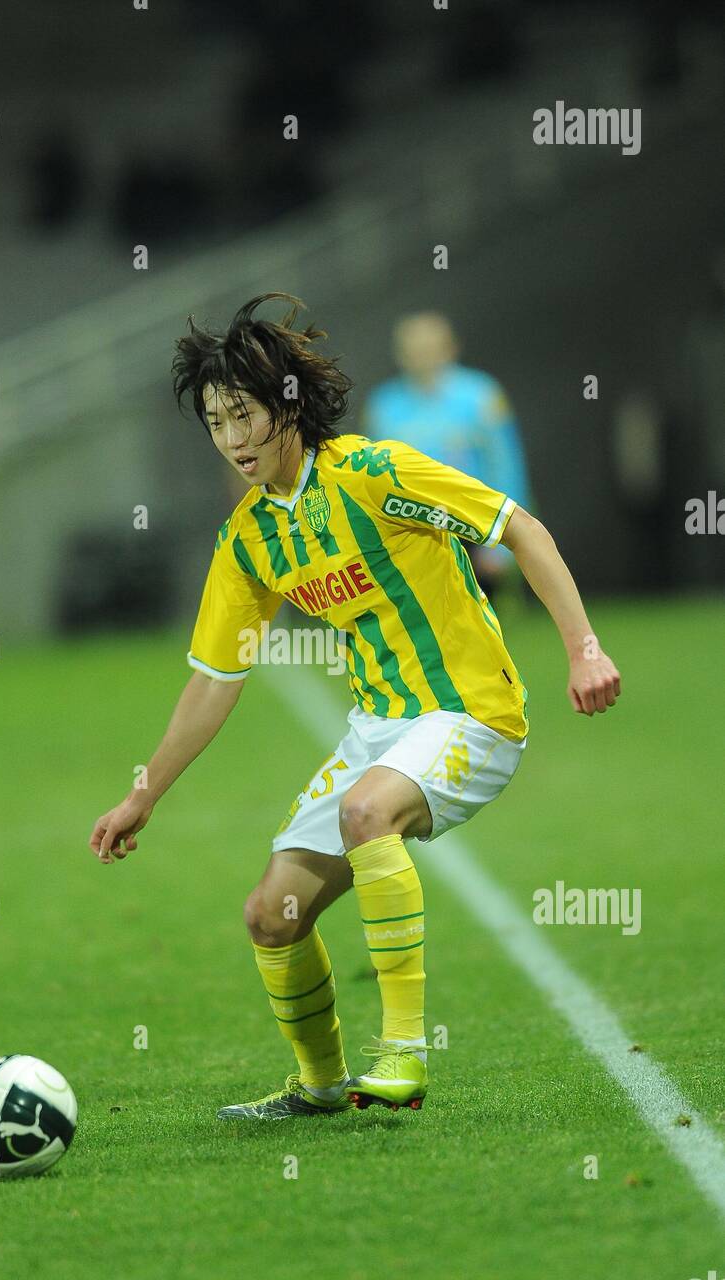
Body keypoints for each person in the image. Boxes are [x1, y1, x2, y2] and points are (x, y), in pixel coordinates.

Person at [89, 294, 620, 1121]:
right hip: (380, 727)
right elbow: (213, 680)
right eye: (216, 423)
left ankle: (403, 1055)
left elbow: (521, 529)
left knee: (368, 811)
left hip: (470, 712)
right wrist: (143, 793)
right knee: (272, 914)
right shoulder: (249, 540)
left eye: (245, 415)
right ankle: (322, 1086)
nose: (232, 441)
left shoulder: (377, 474)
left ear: (288, 405)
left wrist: (584, 649)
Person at [365, 311, 532, 597]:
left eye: (429, 349)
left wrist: (503, 543)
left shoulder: (481, 395)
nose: (422, 357)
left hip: (473, 521)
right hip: (413, 528)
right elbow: (372, 476)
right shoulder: (384, 405)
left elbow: (505, 464)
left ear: (450, 348)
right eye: (413, 350)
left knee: (479, 623)